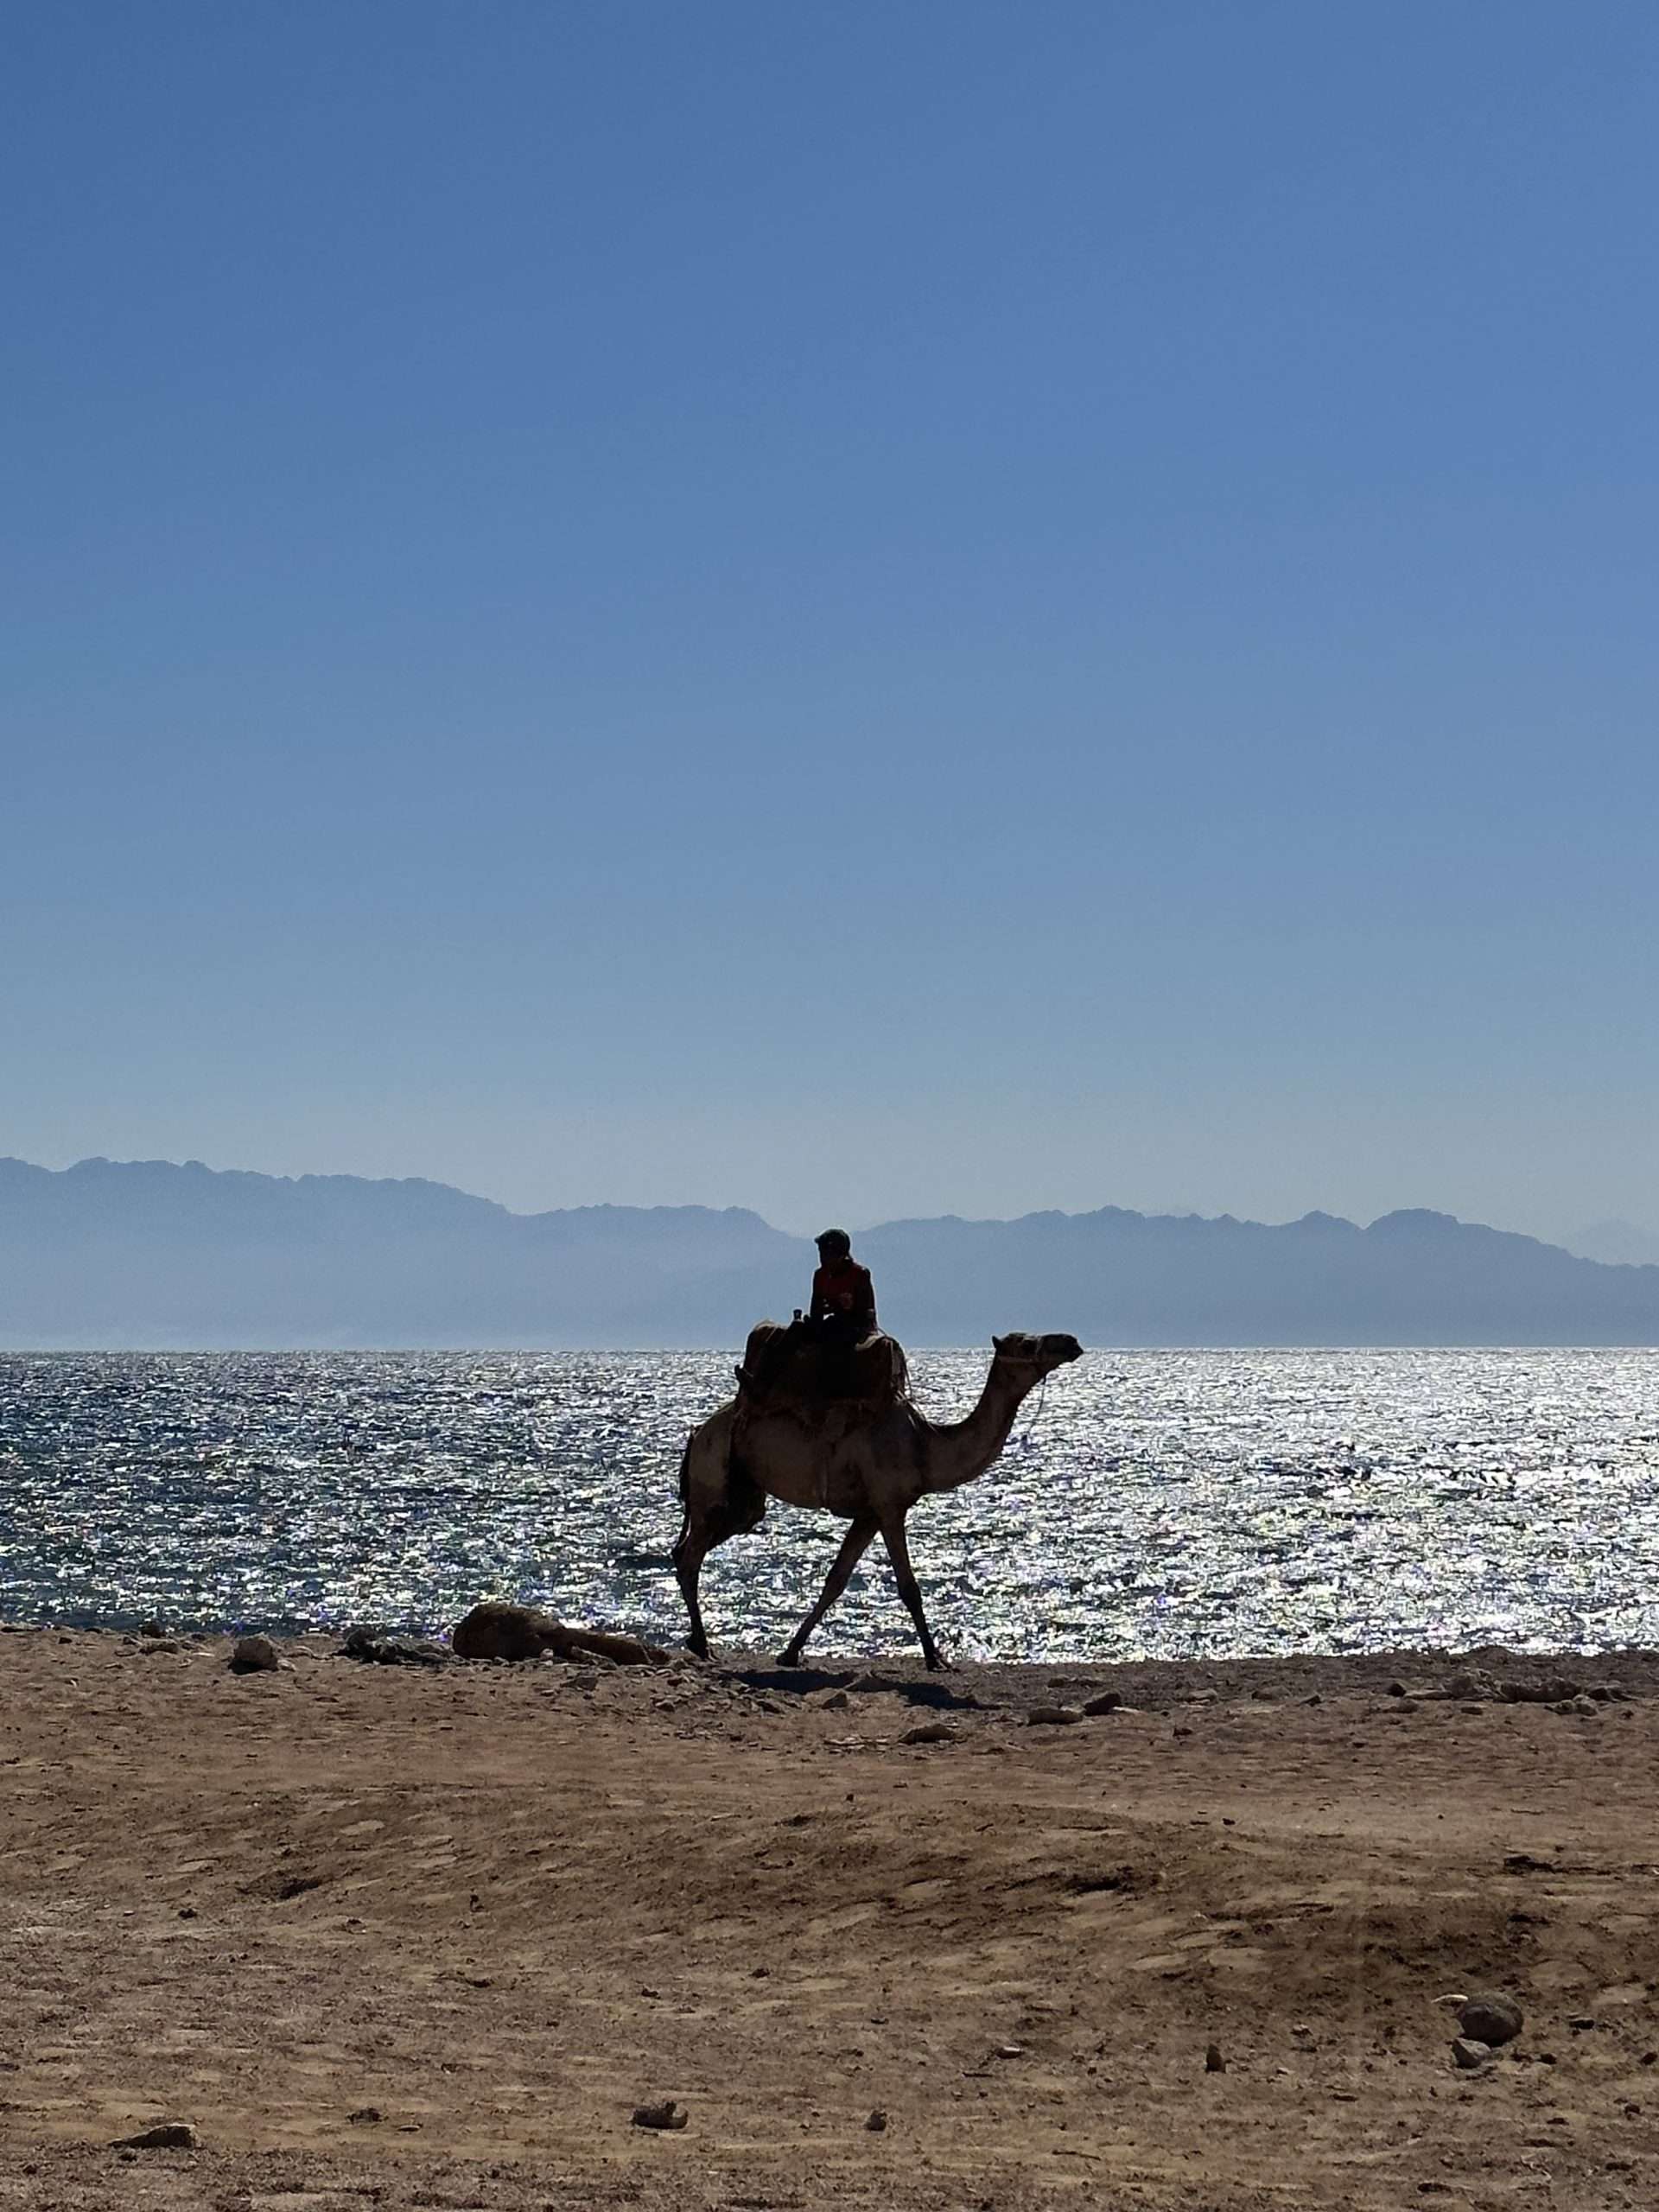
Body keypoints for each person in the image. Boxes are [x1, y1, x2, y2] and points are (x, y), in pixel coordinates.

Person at [809, 1229, 877, 1338]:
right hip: (831, 1324)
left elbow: (865, 1314)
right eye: (821, 1253)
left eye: (827, 1254)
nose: (822, 1258)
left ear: (841, 1255)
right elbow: (815, 1310)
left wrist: (837, 1308)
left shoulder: (859, 1275)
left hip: (855, 1329)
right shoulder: (820, 1275)